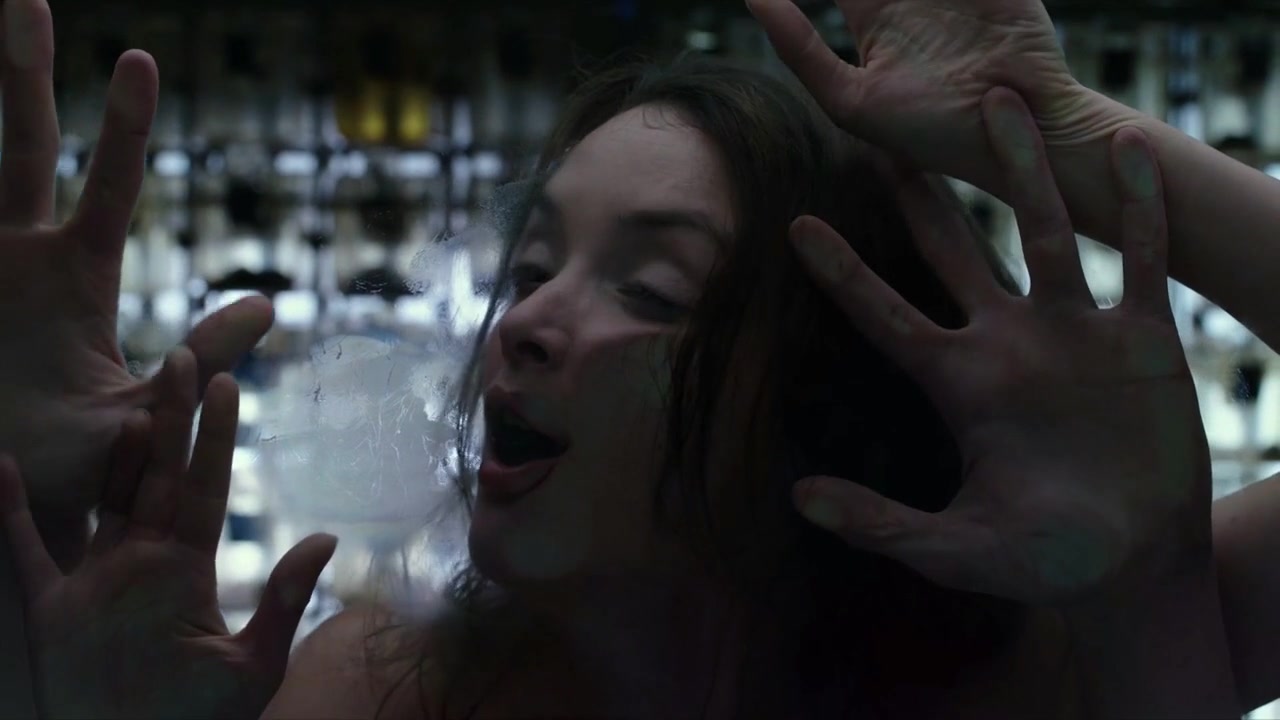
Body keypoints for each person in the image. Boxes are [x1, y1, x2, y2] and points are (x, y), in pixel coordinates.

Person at [0, 0, 1257, 719]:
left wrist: (1069, 140)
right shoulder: (385, 697)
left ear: (821, 395)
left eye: (649, 289)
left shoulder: (1035, 671)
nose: (524, 323)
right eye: (533, 266)